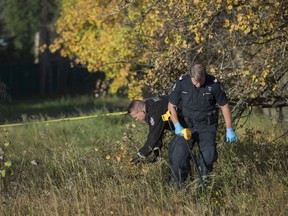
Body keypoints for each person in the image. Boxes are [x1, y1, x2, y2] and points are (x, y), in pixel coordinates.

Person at [168, 64, 237, 192]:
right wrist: (177, 125)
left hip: (207, 126)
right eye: (196, 82)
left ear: (205, 76)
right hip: (185, 126)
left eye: (201, 82)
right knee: (178, 156)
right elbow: (171, 106)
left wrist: (229, 128)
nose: (198, 85)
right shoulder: (182, 83)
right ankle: (177, 189)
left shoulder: (214, 84)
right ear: (191, 76)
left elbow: (224, 106)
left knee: (207, 157)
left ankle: (203, 191)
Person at [127, 96, 172, 164]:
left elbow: (154, 136)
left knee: (174, 151)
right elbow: (157, 131)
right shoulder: (148, 106)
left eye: (135, 117)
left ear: (142, 111)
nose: (136, 120)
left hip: (188, 122)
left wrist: (140, 155)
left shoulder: (155, 110)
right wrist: (157, 153)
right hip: (181, 122)